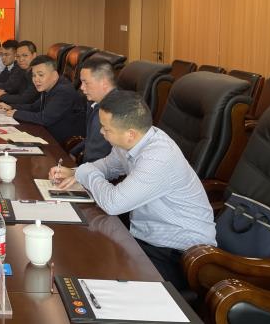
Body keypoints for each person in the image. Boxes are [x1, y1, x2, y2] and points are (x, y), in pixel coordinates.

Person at [50, 91, 216, 290]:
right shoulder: (135, 140)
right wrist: (75, 172)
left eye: (106, 128)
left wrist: (85, 172)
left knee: (96, 274)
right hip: (145, 235)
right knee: (80, 249)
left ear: (130, 134)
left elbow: (113, 203)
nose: (101, 132)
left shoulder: (158, 157)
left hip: (180, 255)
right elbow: (108, 166)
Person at [0, 56, 85, 144]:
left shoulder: (63, 91)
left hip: (62, 143)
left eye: (41, 75)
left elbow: (44, 119)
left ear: (54, 75)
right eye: (34, 75)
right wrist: (11, 107)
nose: (36, 79)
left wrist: (16, 113)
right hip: (48, 133)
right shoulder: (49, 86)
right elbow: (34, 107)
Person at [69, 57, 116, 163]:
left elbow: (95, 157)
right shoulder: (95, 103)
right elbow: (90, 139)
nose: (81, 87)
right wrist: (73, 152)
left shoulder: (108, 111)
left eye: (86, 82)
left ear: (104, 83)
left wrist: (75, 171)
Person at [0, 40, 39, 104]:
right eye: (18, 56)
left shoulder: (38, 74)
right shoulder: (23, 70)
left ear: (34, 55)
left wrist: (2, 96)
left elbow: (24, 99)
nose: (21, 59)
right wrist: (4, 92)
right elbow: (17, 91)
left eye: (25, 55)